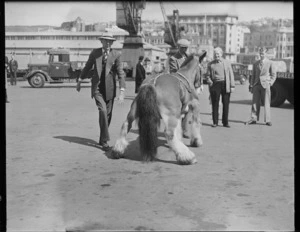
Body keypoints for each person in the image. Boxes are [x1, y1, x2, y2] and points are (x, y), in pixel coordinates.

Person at [76, 32, 126, 150]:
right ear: (101, 41)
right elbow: (87, 67)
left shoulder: (116, 54)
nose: (108, 43)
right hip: (97, 87)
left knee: (108, 115)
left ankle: (102, 139)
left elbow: (120, 73)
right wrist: (79, 80)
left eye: (110, 41)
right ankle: (105, 141)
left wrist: (122, 91)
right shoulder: (95, 53)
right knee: (102, 111)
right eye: (106, 41)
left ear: (112, 42)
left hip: (110, 88)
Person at [245, 47, 276, 126]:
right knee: (255, 102)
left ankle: (268, 120)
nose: (261, 55)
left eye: (263, 53)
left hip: (265, 85)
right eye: (260, 53)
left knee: (266, 103)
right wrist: (252, 85)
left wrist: (270, 83)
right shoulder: (255, 63)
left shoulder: (270, 63)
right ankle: (253, 118)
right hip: (256, 85)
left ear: (266, 54)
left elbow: (273, 75)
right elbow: (253, 75)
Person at [206, 47, 235, 128]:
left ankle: (225, 122)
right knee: (215, 103)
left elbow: (231, 75)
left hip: (225, 84)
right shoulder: (211, 64)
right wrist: (210, 82)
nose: (216, 55)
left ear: (221, 54)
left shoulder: (227, 63)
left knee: (226, 104)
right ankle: (215, 122)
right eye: (215, 54)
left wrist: (232, 86)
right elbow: (207, 76)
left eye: (218, 54)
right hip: (215, 84)